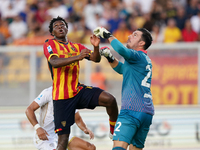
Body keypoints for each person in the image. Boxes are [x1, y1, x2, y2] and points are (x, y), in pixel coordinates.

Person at [43, 16, 118, 150]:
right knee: (63, 141)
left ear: (67, 28)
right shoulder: (49, 44)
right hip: (62, 97)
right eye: (56, 26)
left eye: (62, 25)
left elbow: (96, 59)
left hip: (77, 90)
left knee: (110, 99)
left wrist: (96, 47)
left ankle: (114, 131)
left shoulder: (76, 46)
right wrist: (78, 57)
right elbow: (54, 62)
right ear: (52, 32)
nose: (60, 27)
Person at [93, 27, 154, 150]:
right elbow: (122, 70)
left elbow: (121, 49)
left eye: (135, 35)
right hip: (146, 112)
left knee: (118, 147)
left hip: (131, 109)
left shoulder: (137, 55)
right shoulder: (143, 59)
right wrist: (110, 58)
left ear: (141, 43)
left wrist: (108, 35)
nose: (129, 36)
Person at [25, 86, 96, 150]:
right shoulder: (48, 92)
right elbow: (29, 110)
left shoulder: (71, 96)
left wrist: (85, 129)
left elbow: (78, 119)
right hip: (45, 137)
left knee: (90, 148)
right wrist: (38, 128)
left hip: (61, 135)